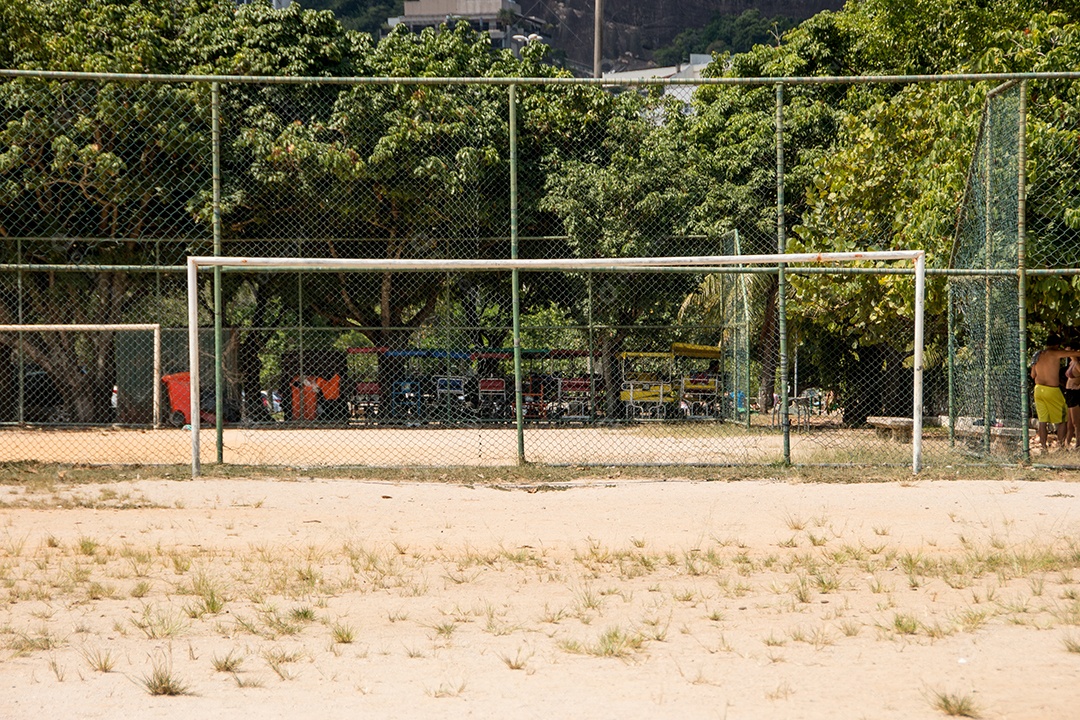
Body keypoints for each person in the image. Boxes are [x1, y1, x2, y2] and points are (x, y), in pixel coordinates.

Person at [1029, 335, 1080, 452]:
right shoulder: (1056, 353)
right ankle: (1061, 446)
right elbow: (1077, 354)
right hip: (1052, 390)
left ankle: (1043, 447)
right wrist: (1069, 351)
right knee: (1062, 419)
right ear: (1057, 345)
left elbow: (1033, 375)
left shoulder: (1037, 355)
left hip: (1038, 389)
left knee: (1042, 420)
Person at [1065, 356, 1080, 449]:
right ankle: (1067, 443)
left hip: (1075, 393)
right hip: (1069, 392)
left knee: (1076, 421)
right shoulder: (1071, 363)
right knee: (1069, 421)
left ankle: (1078, 443)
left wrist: (1078, 386)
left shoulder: (1077, 364)